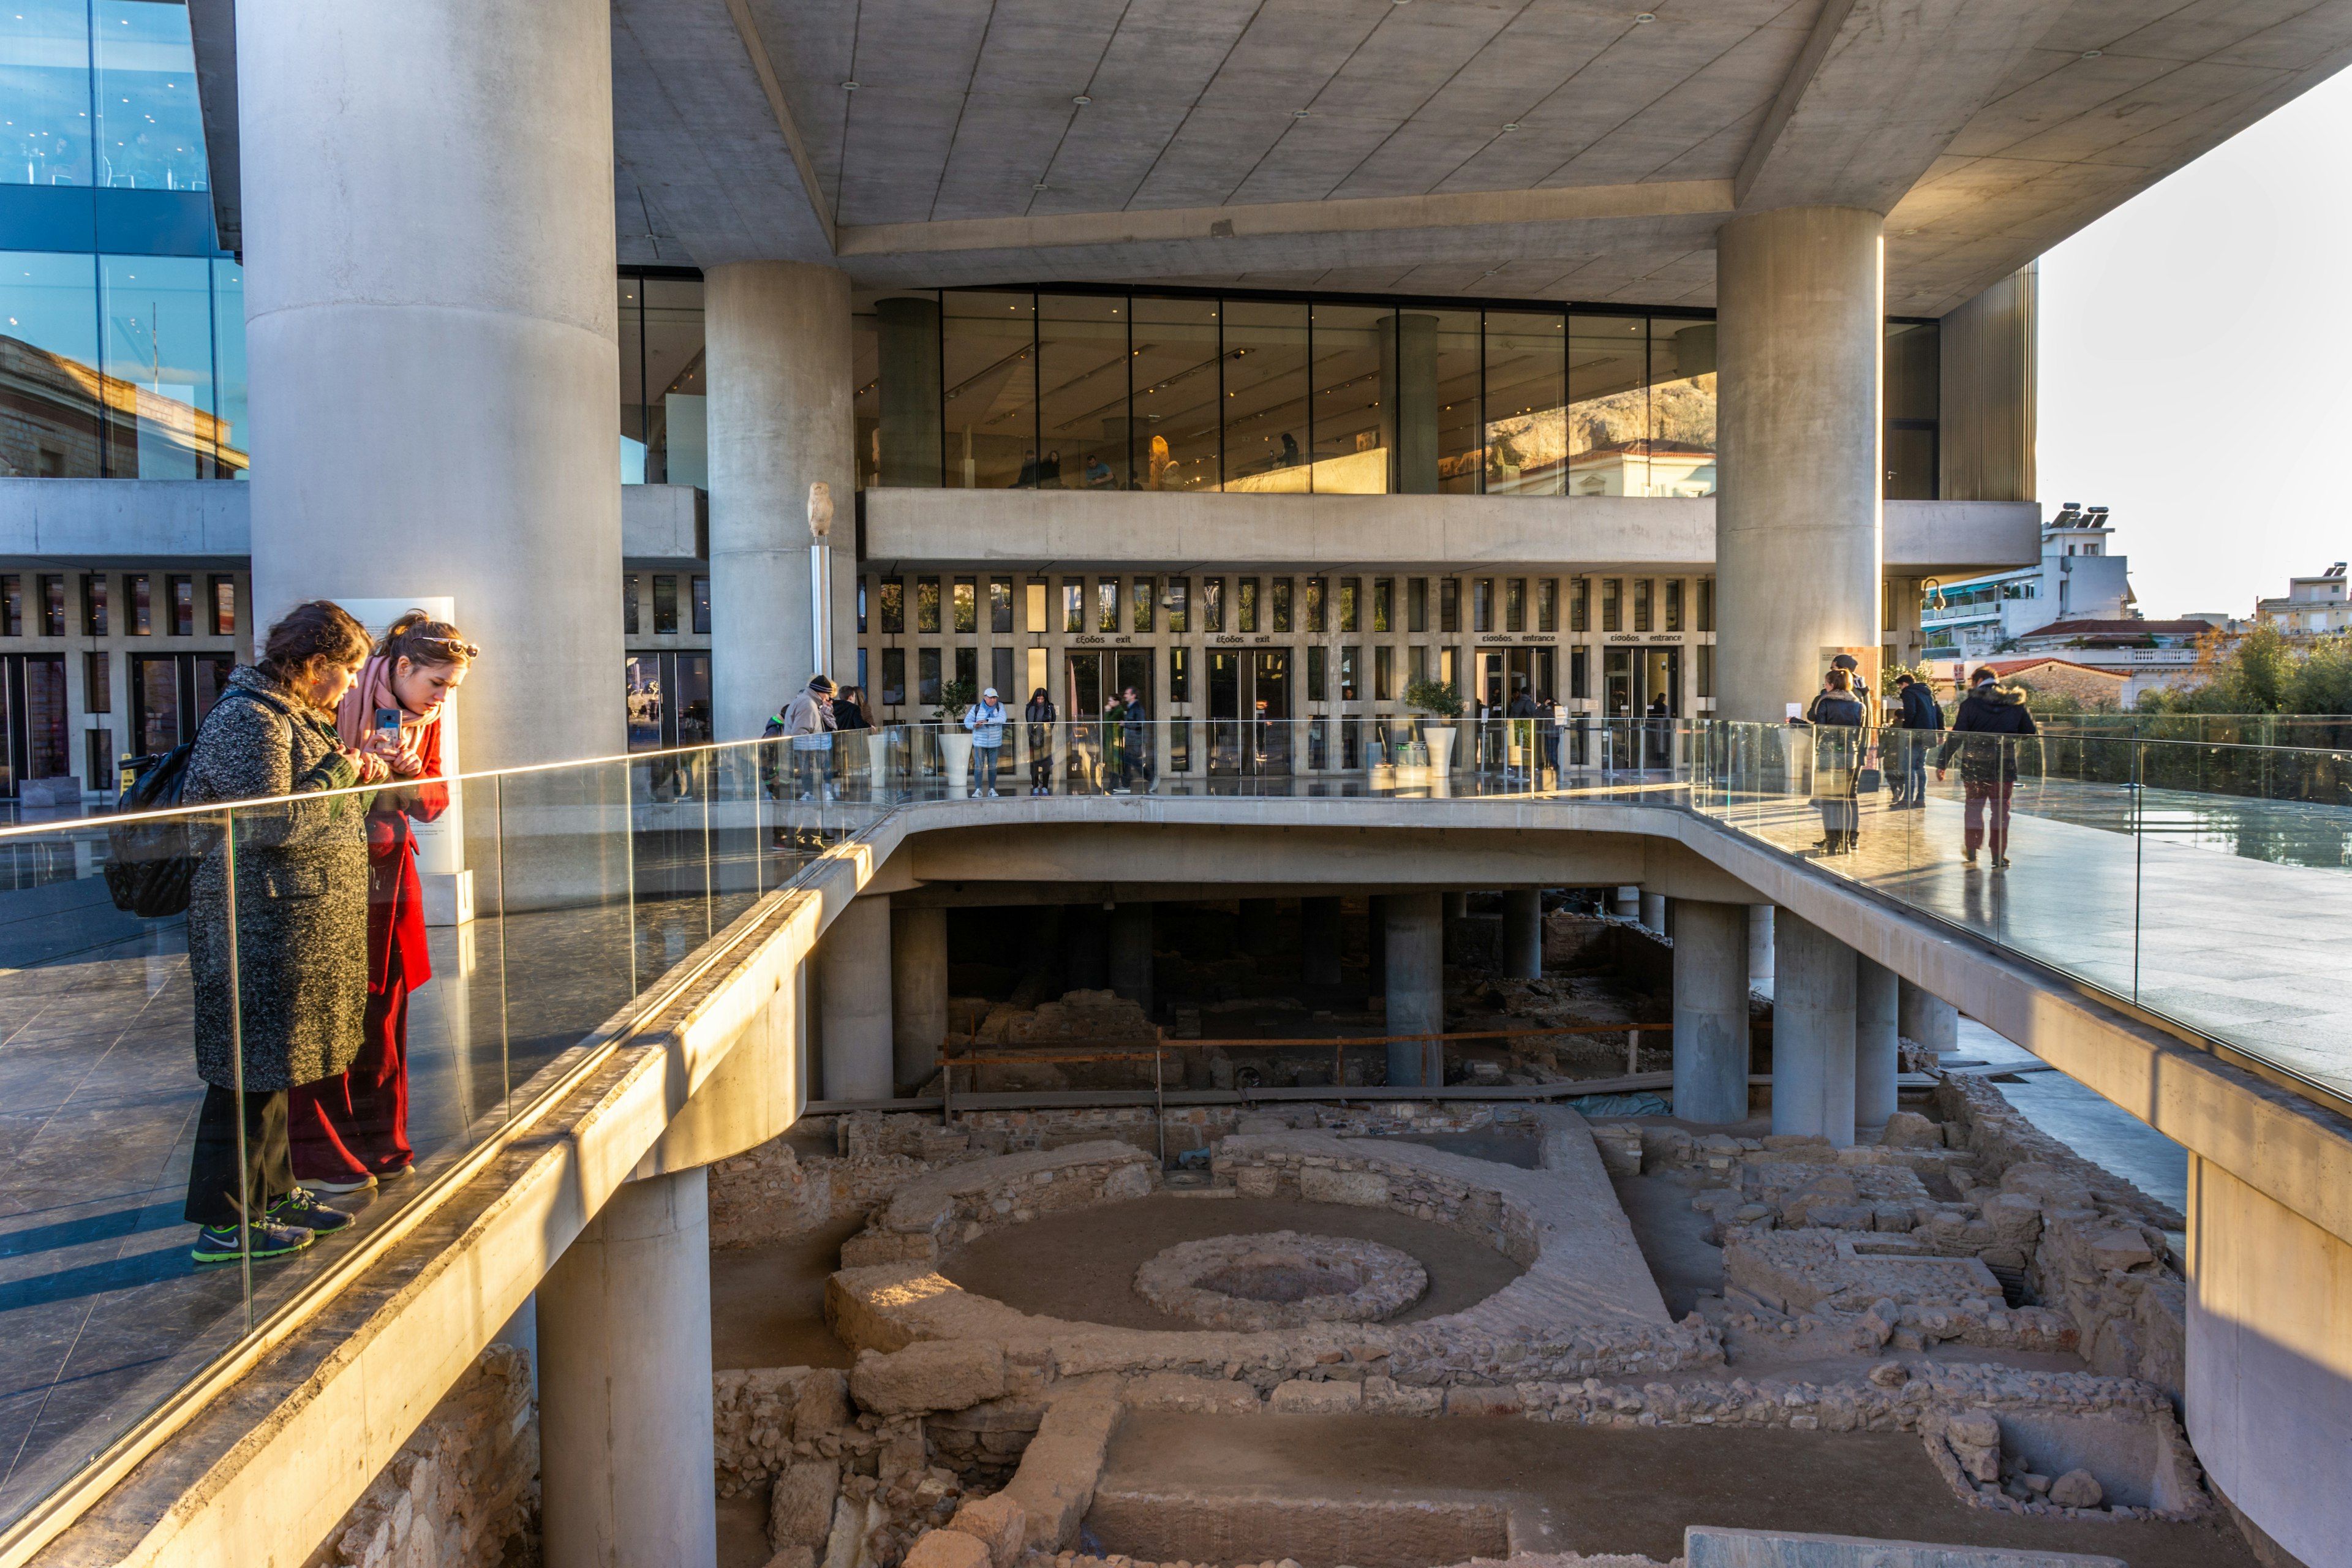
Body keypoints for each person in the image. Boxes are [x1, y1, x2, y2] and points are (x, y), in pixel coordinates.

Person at [181, 601, 386, 1264]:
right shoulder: (249, 719)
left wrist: (358, 777)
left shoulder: (292, 717)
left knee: (273, 1069)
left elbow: (321, 817)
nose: (353, 684)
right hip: (254, 923)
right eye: (348, 671)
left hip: (288, 921)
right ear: (314, 664)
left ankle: (273, 1193)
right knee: (245, 1073)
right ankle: (226, 1221)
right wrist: (340, 771)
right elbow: (273, 825)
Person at [1936, 666, 2037, 868]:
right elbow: (2030, 732)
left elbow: (1958, 736)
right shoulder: (2015, 702)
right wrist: (2007, 739)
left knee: (1974, 807)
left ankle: (1972, 850)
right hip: (2004, 766)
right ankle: (1998, 855)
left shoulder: (1970, 704)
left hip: (1975, 766)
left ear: (1978, 680)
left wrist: (1942, 763)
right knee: (2001, 812)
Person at [1806, 668, 1867, 854]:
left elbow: (1820, 730)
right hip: (1850, 755)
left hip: (1828, 754)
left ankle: (1832, 841)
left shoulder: (1826, 703)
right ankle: (1848, 841)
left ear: (1832, 685)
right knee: (1849, 797)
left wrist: (1796, 722)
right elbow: (1859, 733)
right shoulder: (1859, 705)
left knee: (1829, 798)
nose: (1824, 687)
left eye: (1826, 683)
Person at [1890, 672, 1943, 808]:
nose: (1900, 690)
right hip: (1929, 734)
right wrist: (1940, 734)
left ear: (1904, 684)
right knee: (1920, 766)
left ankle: (1907, 799)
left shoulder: (1909, 692)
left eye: (1900, 686)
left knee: (1910, 767)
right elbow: (1939, 714)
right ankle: (1921, 799)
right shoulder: (1928, 693)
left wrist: (1907, 730)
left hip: (1915, 734)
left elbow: (1911, 712)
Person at [781, 674, 835, 802]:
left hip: (806, 749)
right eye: (827, 694)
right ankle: (809, 794)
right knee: (807, 772)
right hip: (807, 749)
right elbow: (800, 732)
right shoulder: (808, 704)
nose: (828, 698)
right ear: (820, 692)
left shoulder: (805, 700)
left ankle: (809, 793)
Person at [964, 685, 1008, 796]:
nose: (993, 700)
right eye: (991, 698)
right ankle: (978, 789)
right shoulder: (977, 708)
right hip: (980, 743)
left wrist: (987, 721)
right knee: (978, 767)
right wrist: (975, 725)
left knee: (993, 767)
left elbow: (1002, 719)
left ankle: (992, 789)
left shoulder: (1000, 706)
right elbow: (967, 721)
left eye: (995, 698)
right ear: (985, 697)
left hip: (995, 743)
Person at [1110, 685, 1150, 793]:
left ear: (1133, 695)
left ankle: (1151, 778)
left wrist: (1126, 724)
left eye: (1127, 694)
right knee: (1127, 762)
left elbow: (1140, 724)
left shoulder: (1137, 708)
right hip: (1131, 739)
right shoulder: (1131, 707)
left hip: (1136, 740)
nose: (1125, 696)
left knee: (1132, 762)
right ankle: (1126, 785)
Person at [1025, 687, 1057, 795]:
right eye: (1038, 699)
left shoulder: (1049, 708)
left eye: (1042, 699)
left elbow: (1053, 721)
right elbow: (1028, 721)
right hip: (1033, 739)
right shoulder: (1029, 707)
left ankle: (1045, 787)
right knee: (1034, 763)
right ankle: (1035, 786)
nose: (1040, 701)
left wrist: (1044, 733)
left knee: (1046, 763)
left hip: (1046, 739)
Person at [1507, 684, 1541, 783]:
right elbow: (1535, 715)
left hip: (1516, 728)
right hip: (1528, 728)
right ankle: (1532, 767)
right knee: (1529, 747)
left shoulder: (1516, 704)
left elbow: (1511, 716)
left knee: (1516, 747)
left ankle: (1514, 766)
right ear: (1530, 694)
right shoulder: (1530, 704)